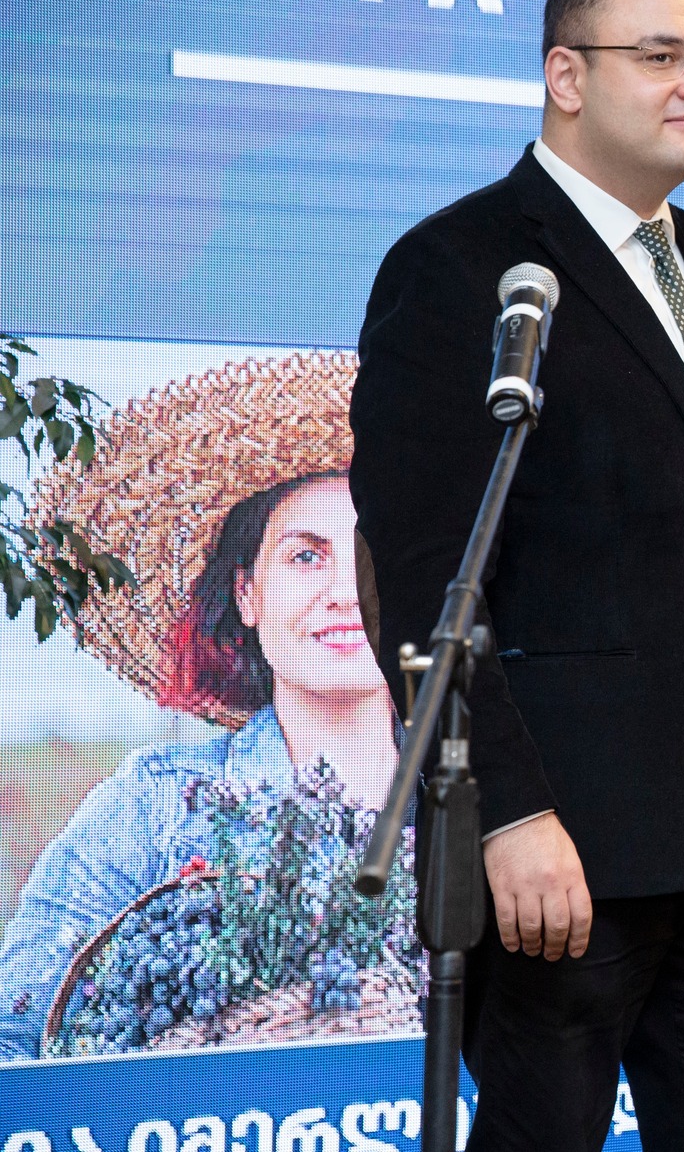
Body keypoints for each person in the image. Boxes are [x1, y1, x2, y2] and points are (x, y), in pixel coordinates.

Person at [349, 0, 684, 1151]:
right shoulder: (457, 266)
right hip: (560, 846)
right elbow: (424, 571)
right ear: (565, 76)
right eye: (662, 55)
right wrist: (506, 811)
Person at [0, 352, 400, 1059]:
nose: (344, 591)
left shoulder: (494, 807)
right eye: (306, 556)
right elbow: (18, 1040)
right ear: (247, 593)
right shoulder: (152, 809)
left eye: (372, 555)